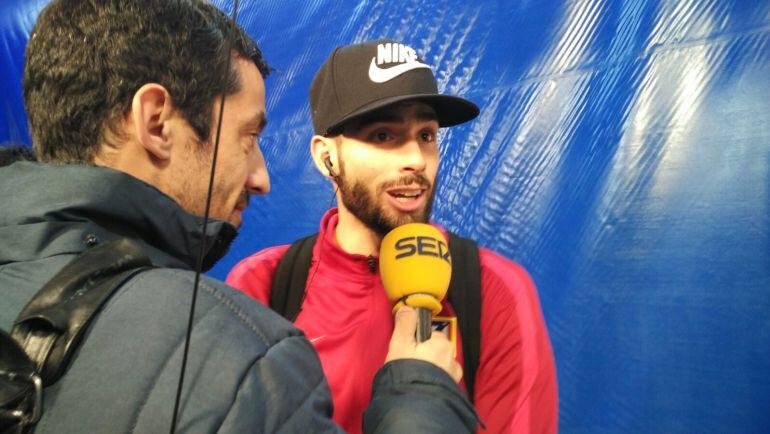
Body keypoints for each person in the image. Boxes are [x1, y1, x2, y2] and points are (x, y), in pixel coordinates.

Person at [0, 2, 476, 432]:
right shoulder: (246, 333)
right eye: (248, 137)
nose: (261, 178)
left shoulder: (489, 288)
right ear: (156, 122)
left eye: (428, 136)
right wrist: (424, 395)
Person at [227, 39, 559, 433]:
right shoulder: (261, 285)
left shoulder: (496, 291)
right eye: (383, 135)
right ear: (325, 157)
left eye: (426, 135)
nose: (416, 160)